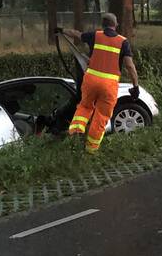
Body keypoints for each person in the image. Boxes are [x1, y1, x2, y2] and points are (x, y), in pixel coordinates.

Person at [56, 13, 140, 154]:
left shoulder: (96, 35)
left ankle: (77, 128)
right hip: (109, 84)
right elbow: (130, 66)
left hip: (91, 80)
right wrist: (135, 86)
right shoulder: (123, 42)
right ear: (115, 24)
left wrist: (62, 30)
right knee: (101, 115)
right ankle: (91, 149)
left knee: (85, 106)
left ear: (103, 24)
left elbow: (76, 34)